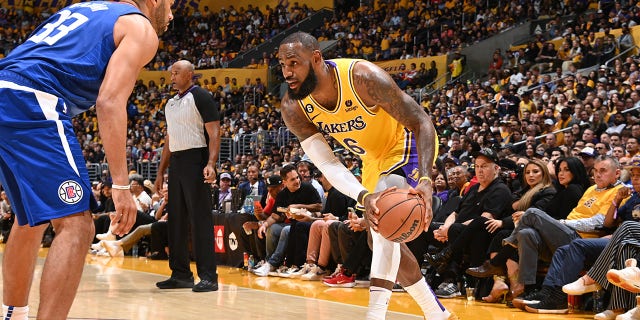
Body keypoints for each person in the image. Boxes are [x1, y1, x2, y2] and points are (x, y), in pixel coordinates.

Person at [0, 0, 172, 318]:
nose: (172, 13)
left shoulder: (84, 7)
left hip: (7, 90)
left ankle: (13, 314)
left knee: (31, 221)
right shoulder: (141, 27)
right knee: (78, 226)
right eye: (172, 3)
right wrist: (121, 185)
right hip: (31, 99)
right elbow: (108, 101)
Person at [277, 32, 455, 320]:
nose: (287, 73)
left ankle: (375, 315)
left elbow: (421, 121)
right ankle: (437, 314)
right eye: (282, 65)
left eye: (294, 63)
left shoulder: (362, 77)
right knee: (381, 237)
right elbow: (328, 163)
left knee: (386, 221)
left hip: (403, 143)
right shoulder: (293, 106)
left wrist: (425, 180)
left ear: (316, 58)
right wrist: (362, 194)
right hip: (371, 160)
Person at [154, 60, 221, 293]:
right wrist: (161, 171)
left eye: (177, 72)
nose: (172, 76)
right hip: (177, 162)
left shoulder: (201, 96)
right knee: (177, 220)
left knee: (200, 219)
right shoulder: (171, 103)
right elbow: (169, 139)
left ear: (190, 75)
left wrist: (211, 163)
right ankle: (181, 274)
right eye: (171, 73)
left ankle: (209, 277)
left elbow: (214, 133)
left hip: (197, 159)